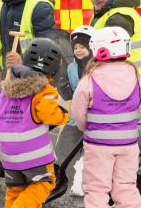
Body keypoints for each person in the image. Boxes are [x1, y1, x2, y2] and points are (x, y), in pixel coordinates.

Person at [71, 26, 141, 208]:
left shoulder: (90, 78)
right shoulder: (134, 74)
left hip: (98, 146)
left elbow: (78, 111)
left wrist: (85, 127)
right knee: (126, 188)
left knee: (97, 189)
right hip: (128, 145)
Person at [0, 38, 69, 208]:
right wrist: (63, 115)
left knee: (15, 190)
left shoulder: (7, 89)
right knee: (44, 184)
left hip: (9, 157)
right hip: (36, 158)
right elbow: (49, 115)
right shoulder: (44, 90)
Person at [84, 0, 141, 83]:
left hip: (126, 83)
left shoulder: (119, 17)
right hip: (120, 80)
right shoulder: (104, 13)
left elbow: (107, 52)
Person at [54, 25, 93, 196]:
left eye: (82, 47)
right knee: (63, 153)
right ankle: (63, 186)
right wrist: (66, 91)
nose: (78, 50)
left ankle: (95, 192)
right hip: (74, 120)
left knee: (95, 158)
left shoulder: (98, 67)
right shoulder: (70, 68)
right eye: (75, 47)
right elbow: (63, 83)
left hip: (95, 122)